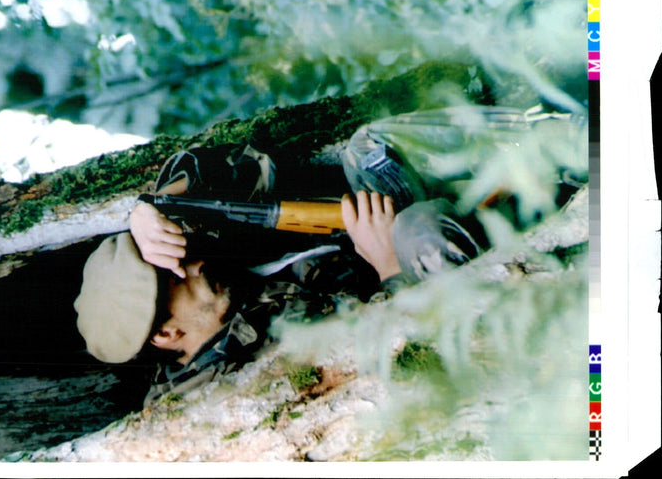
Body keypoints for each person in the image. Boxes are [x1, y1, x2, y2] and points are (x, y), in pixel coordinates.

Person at [73, 104, 584, 405]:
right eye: (176, 273)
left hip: (388, 245)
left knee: (370, 149)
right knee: (418, 230)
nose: (193, 260)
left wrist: (153, 205)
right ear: (167, 334)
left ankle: (570, 144)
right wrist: (387, 269)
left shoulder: (212, 296)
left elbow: (240, 167)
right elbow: (382, 373)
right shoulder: (224, 387)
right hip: (424, 299)